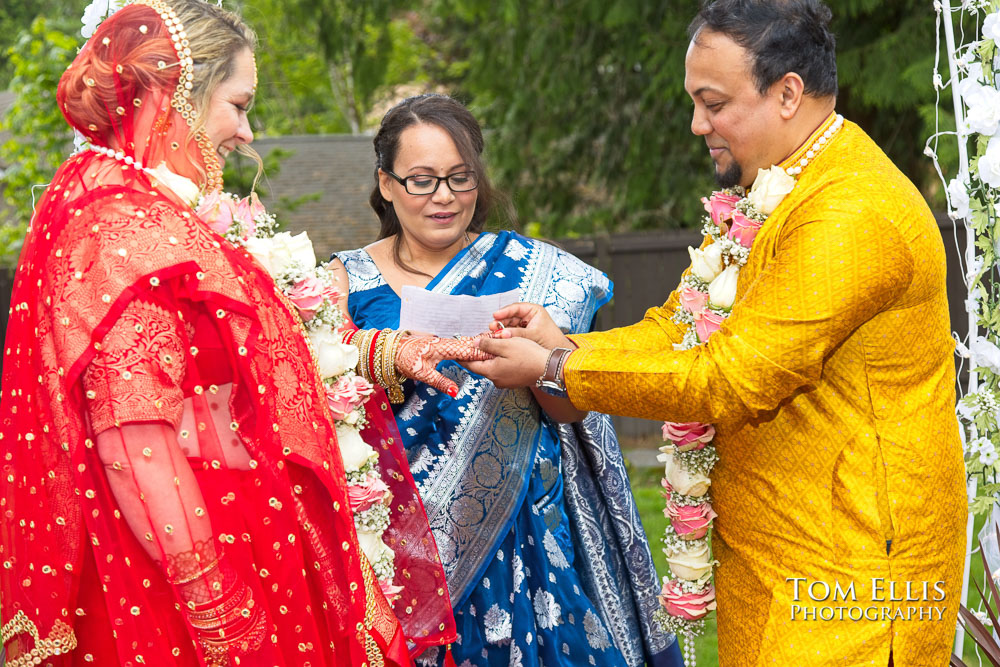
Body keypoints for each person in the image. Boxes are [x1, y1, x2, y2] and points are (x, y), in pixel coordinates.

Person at [467, 1, 967, 666]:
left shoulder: (848, 213)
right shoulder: (781, 187)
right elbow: (681, 326)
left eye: (714, 102)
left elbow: (732, 376)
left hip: (853, 572)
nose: (698, 124)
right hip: (775, 556)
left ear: (788, 93)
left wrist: (557, 369)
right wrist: (564, 343)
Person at [0, 2, 485, 664]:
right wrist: (215, 603)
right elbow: (131, 436)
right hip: (192, 568)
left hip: (249, 535)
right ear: (180, 95)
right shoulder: (119, 230)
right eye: (238, 104)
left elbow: (254, 362)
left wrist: (383, 350)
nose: (246, 131)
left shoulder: (173, 213)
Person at [329, 93, 683, 667]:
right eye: (421, 180)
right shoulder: (342, 281)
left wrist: (546, 351)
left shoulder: (534, 271)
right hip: (400, 540)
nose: (443, 196)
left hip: (526, 531)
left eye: (459, 177)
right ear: (387, 184)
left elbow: (571, 411)